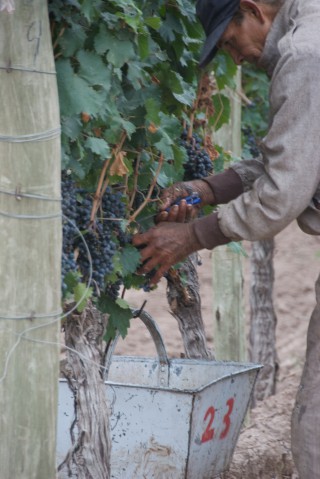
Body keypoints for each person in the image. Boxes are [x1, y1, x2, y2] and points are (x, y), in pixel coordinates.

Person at [132, 0, 320, 476]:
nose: (235, 59)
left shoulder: (304, 55)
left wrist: (193, 235)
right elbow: (295, 161)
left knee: (316, 427)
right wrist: (205, 190)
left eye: (230, 42)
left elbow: (282, 193)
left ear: (252, 10)